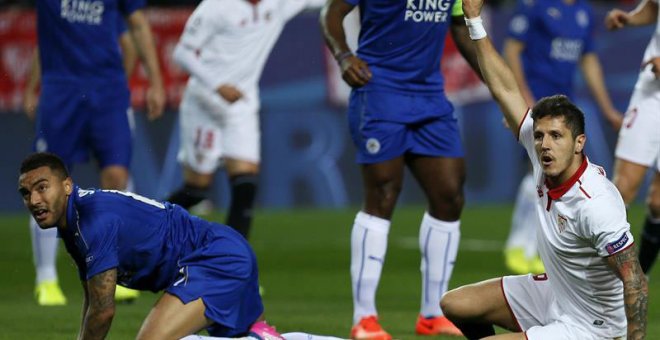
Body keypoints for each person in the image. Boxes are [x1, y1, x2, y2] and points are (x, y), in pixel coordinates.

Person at [439, 0, 648, 338]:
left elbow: (635, 279)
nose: (545, 145)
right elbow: (505, 87)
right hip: (556, 294)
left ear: (579, 142)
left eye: (556, 136)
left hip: (592, 326)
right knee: (454, 304)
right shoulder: (541, 155)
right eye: (539, 136)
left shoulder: (595, 203)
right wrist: (474, 22)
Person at [320, 0, 482, 338]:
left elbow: (460, 29)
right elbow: (332, 12)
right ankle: (364, 318)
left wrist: (499, 86)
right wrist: (344, 56)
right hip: (379, 90)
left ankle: (433, 313)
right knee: (382, 193)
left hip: (429, 96)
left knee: (450, 196)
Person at [17, 152, 284, 339]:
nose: (34, 200)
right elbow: (93, 299)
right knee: (248, 337)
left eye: (42, 188)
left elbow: (103, 311)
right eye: (26, 194)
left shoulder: (92, 222)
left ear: (66, 186)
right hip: (222, 251)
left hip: (213, 260)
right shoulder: (75, 220)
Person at [166, 0, 324, 239]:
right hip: (205, 102)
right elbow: (182, 53)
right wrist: (217, 85)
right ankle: (145, 225)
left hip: (242, 103)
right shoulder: (216, 6)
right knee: (197, 190)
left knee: (246, 185)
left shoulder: (278, 4)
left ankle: (232, 258)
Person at [22, 15, 143, 306]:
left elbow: (130, 43)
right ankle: (47, 279)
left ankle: (119, 271)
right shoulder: (54, 12)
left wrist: (115, 90)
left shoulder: (107, 12)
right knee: (46, 181)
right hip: (62, 100)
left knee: (117, 177)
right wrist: (32, 86)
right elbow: (44, 47)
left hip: (104, 99)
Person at [502, 0, 623, 275]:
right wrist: (522, 100)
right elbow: (512, 49)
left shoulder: (584, 11)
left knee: (549, 173)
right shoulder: (534, 5)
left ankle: (529, 245)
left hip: (563, 107)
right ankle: (520, 246)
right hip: (536, 102)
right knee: (539, 170)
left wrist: (605, 107)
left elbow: (588, 59)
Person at [605, 0, 660, 276]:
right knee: (622, 188)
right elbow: (652, 6)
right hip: (652, 93)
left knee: (658, 204)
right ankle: (590, 280)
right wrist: (630, 18)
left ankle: (638, 279)